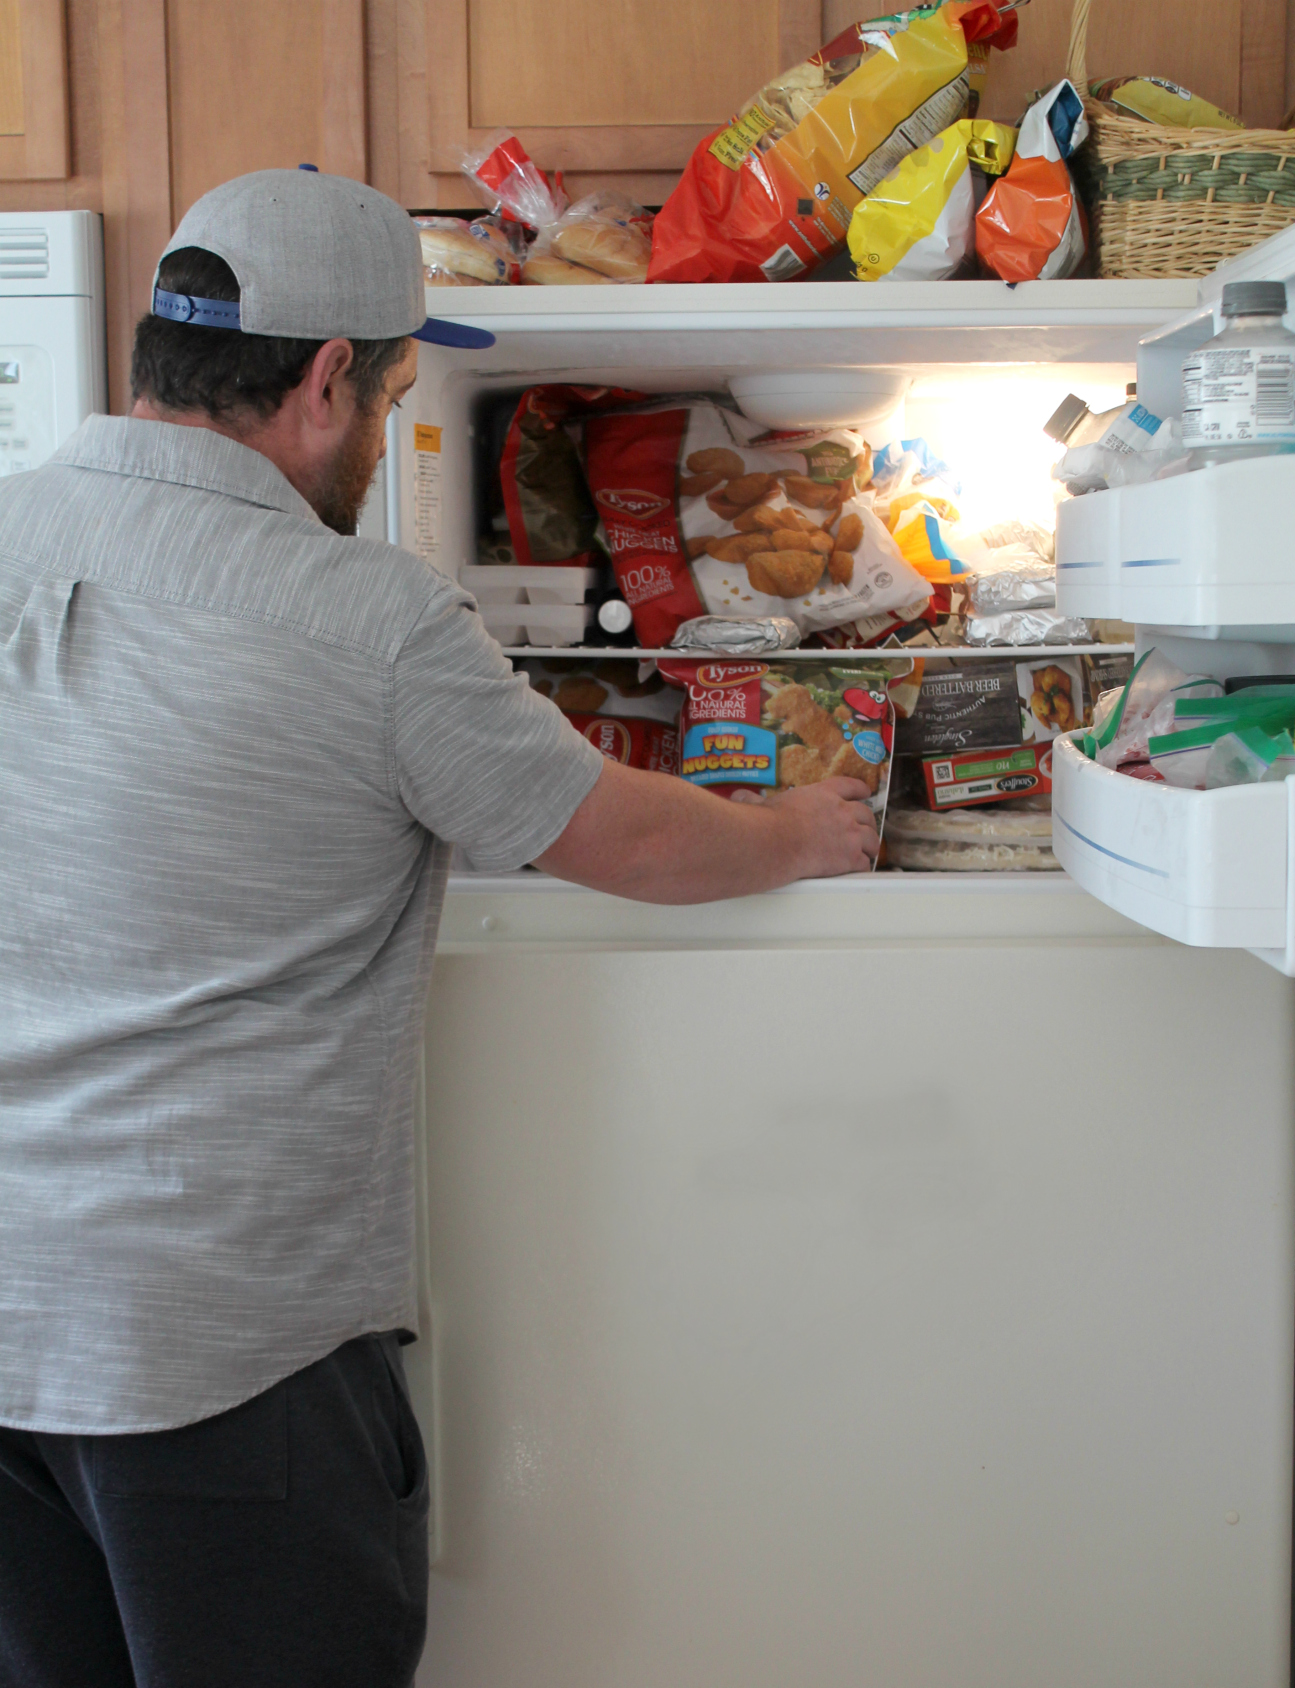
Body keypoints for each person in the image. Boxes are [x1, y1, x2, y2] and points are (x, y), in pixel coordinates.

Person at [0, 169, 878, 1688]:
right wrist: (811, 828)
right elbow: (625, 842)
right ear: (330, 377)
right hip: (224, 1350)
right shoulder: (366, 619)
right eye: (399, 381)